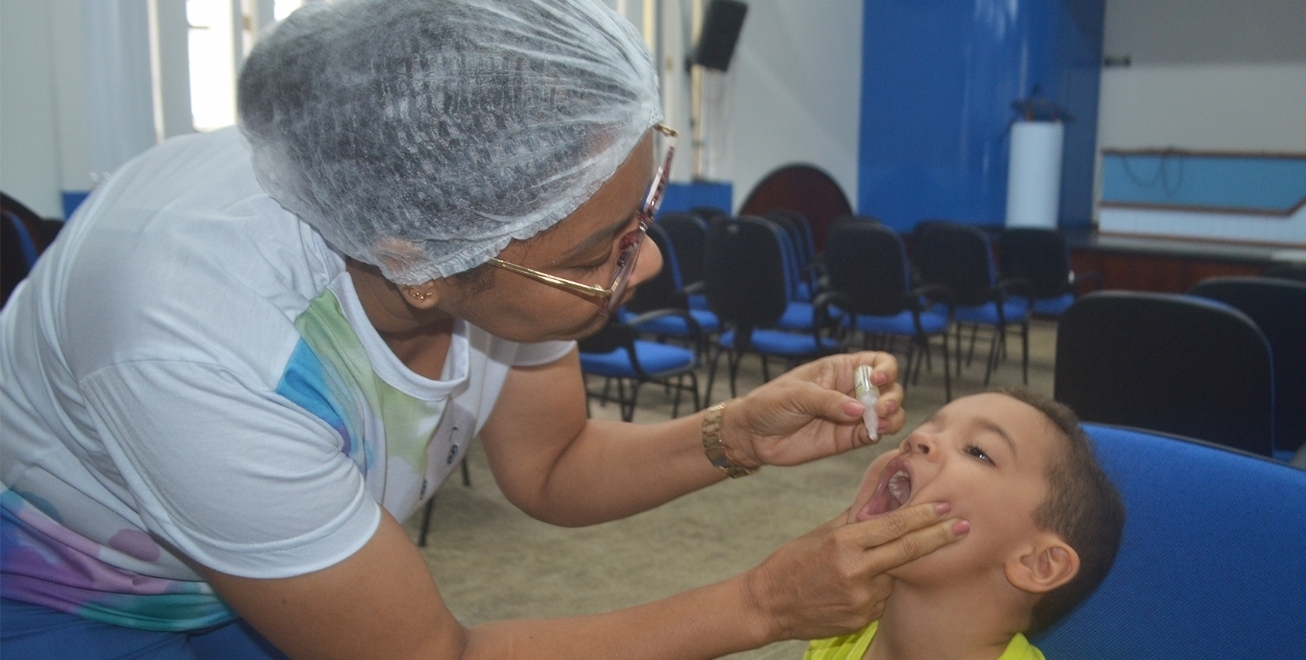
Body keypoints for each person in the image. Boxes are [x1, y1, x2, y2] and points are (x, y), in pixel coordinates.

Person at [0, 1, 970, 658]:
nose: (646, 264)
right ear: (419, 262)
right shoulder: (195, 342)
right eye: (603, 249)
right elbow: (431, 654)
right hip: (74, 589)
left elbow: (549, 465)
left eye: (646, 215)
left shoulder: (491, 233)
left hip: (271, 543)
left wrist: (733, 434)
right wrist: (761, 603)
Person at [805, 389, 1126, 660]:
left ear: (1038, 563)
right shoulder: (832, 642)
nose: (916, 438)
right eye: (929, 427)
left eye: (978, 452)